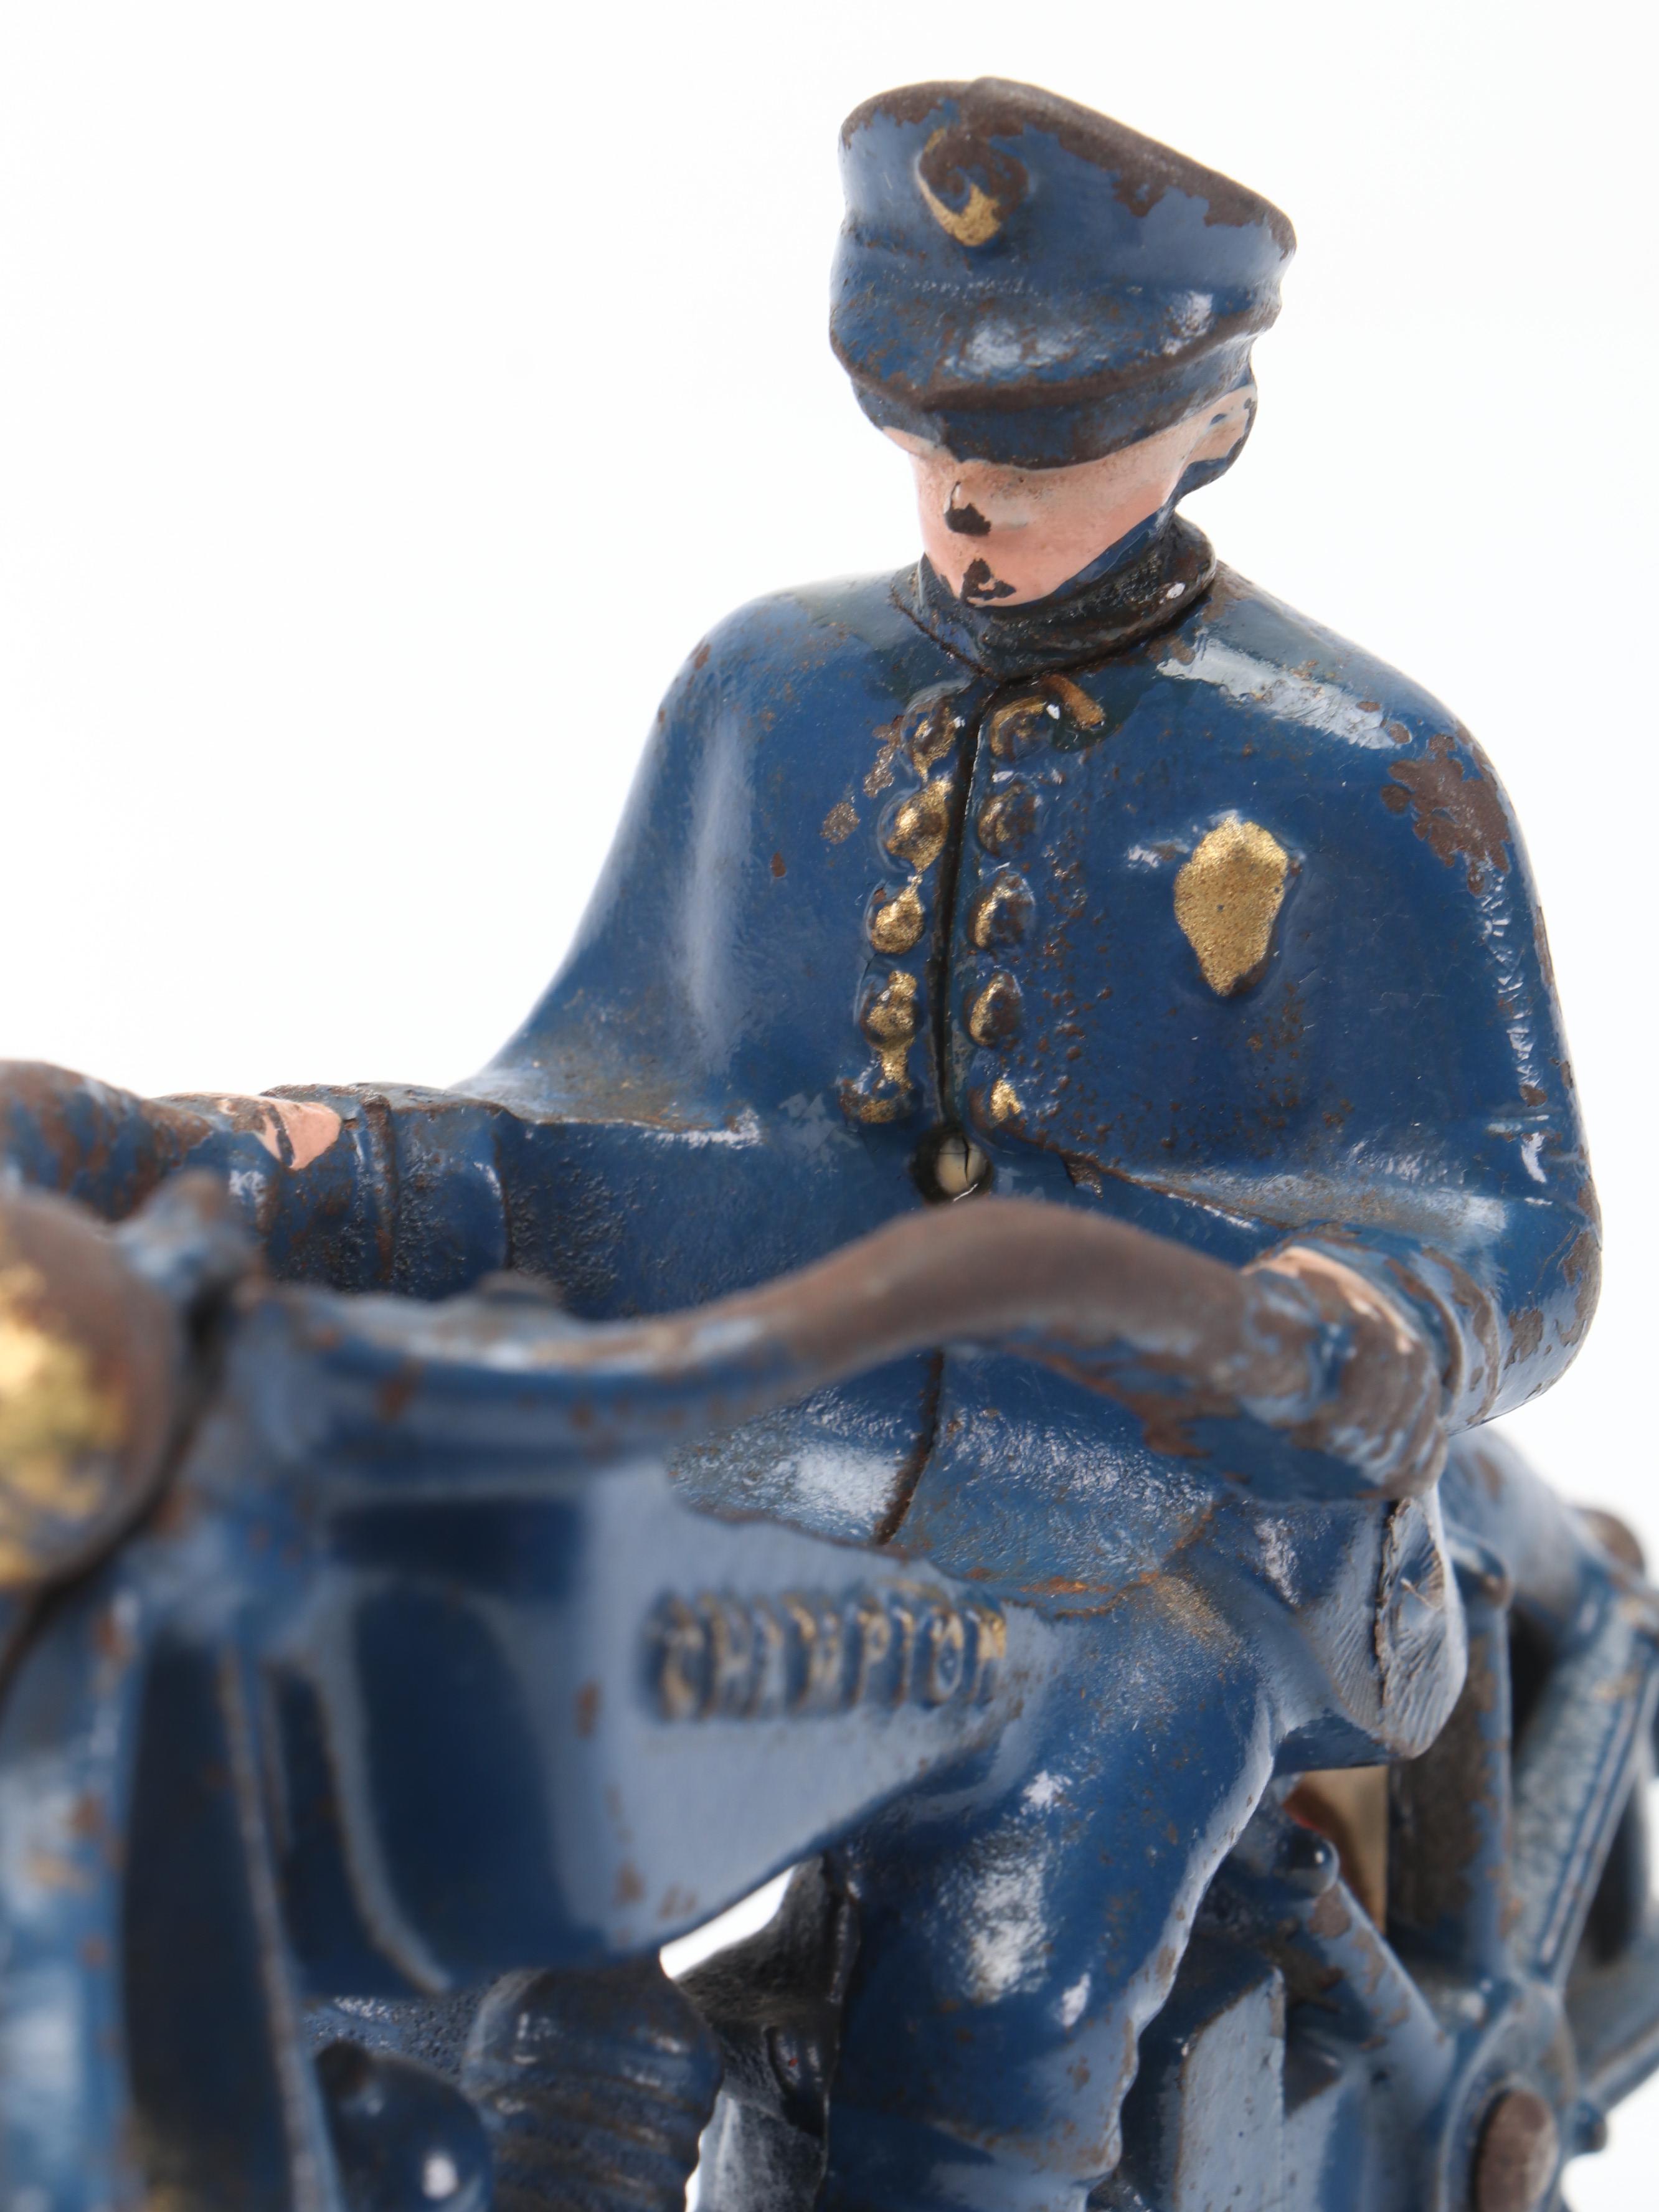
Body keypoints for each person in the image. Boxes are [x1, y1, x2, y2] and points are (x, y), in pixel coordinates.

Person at [0, 78, 1599, 2212]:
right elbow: (594, 1096)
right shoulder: (773, 694)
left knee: (1000, 2000)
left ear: (1212, 422)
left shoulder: (1370, 775)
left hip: (1176, 1521)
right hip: (760, 1431)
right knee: (428, 1780)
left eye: (1042, 452)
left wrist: (1388, 1313)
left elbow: (1519, 1219)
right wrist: (293, 1161)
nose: (969, 501)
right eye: (935, 446)